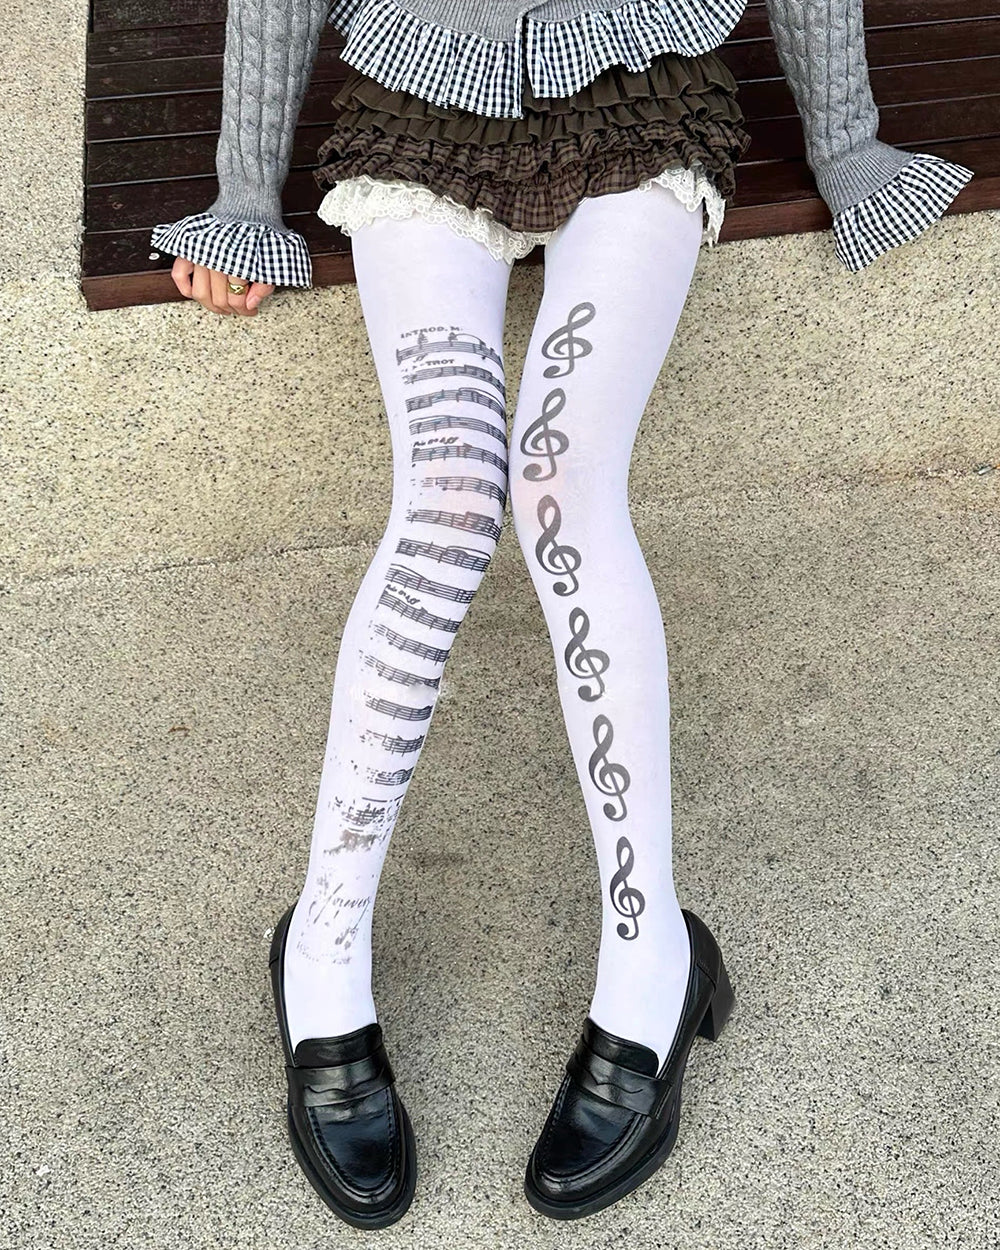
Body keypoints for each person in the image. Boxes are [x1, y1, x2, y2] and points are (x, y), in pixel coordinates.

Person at [150, 0, 974, 1228]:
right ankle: (321, 947)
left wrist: (846, 146)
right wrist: (242, 194)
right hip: (420, 97)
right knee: (444, 500)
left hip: (638, 88)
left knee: (559, 484)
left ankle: (652, 959)